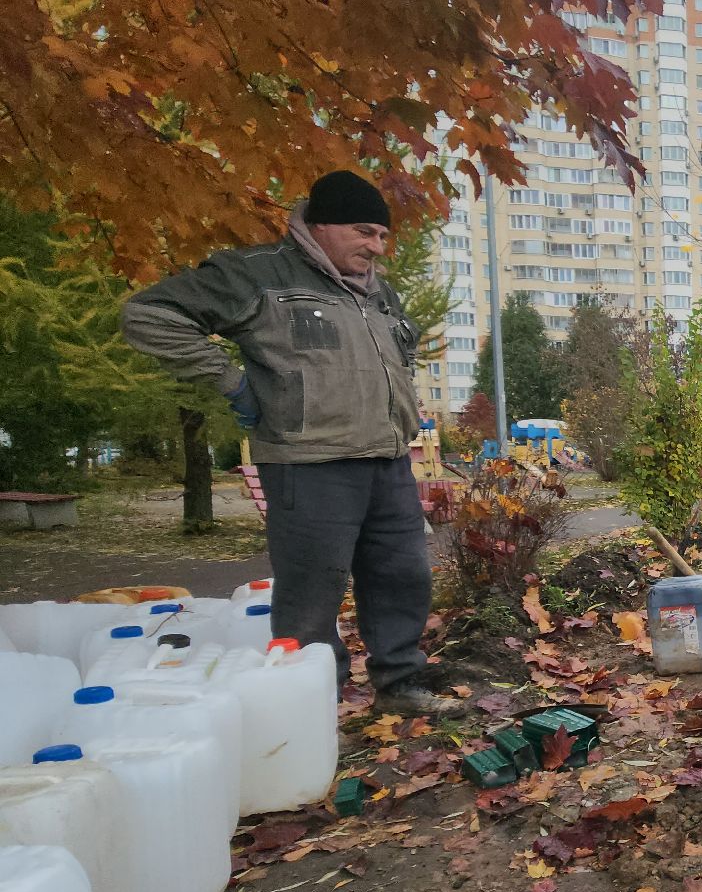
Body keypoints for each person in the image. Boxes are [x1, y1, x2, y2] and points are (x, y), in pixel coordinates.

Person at [121, 170, 460, 717]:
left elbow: (403, 348)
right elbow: (149, 314)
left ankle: (399, 685)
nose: (376, 247)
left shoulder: (380, 290)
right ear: (321, 225)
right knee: (311, 591)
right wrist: (230, 381)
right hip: (309, 462)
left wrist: (400, 398)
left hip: (387, 458)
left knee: (403, 576)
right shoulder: (257, 274)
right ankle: (312, 703)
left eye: (382, 237)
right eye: (364, 232)